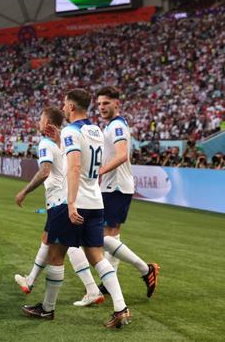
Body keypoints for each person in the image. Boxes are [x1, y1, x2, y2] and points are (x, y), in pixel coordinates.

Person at [21, 89, 131, 329]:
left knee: (56, 253)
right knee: (97, 257)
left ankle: (47, 309)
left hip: (74, 201)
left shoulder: (72, 131)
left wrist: (70, 203)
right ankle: (120, 307)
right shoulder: (96, 130)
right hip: (95, 200)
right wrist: (61, 138)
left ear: (70, 107)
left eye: (64, 104)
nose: (63, 107)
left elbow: (73, 167)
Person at [13, 107, 104, 307]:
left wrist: (25, 191)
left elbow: (45, 171)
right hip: (71, 198)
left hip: (60, 201)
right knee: (49, 240)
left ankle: (79, 293)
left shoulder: (47, 142)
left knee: (63, 247)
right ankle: (30, 281)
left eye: (40, 118)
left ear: (47, 122)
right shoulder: (65, 140)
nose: (37, 122)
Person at [96, 86, 159, 298]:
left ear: (117, 103)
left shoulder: (117, 126)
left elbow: (122, 155)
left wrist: (100, 172)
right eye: (99, 104)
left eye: (106, 103)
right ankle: (108, 281)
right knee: (111, 236)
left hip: (116, 186)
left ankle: (144, 269)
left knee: (104, 236)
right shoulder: (111, 126)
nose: (102, 107)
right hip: (114, 186)